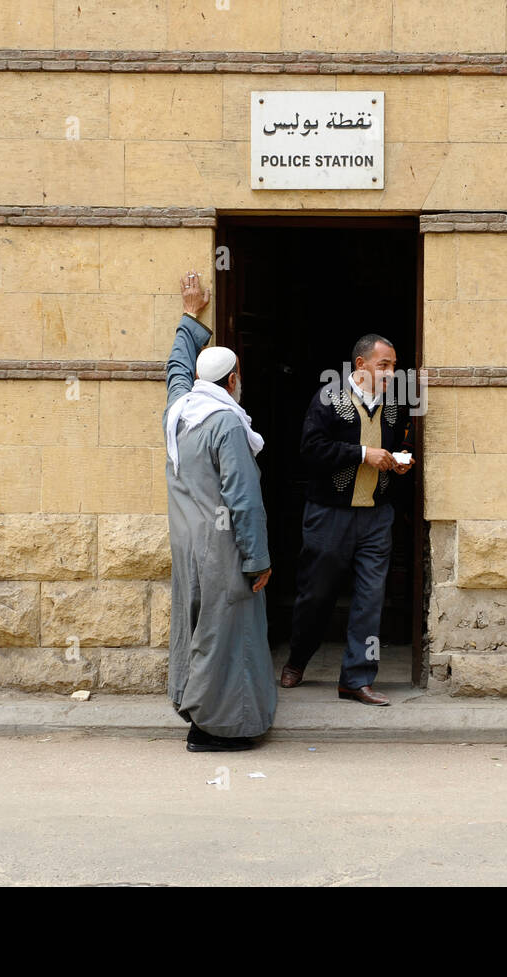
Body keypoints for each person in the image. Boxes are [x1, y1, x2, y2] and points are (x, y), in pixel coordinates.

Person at [163, 270, 276, 751]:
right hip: (223, 549)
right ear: (232, 380)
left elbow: (174, 371)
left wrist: (190, 319)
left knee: (196, 630)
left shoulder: (180, 412)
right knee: (226, 637)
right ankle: (218, 728)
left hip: (188, 544)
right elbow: (244, 500)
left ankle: (197, 714)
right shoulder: (227, 424)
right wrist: (258, 560)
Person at [281, 334, 415, 705]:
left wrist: (400, 459)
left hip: (376, 515)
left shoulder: (394, 404)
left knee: (371, 599)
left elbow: (402, 442)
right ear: (361, 365)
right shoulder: (329, 398)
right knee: (316, 594)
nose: (390, 373)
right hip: (329, 514)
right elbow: (311, 449)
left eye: (393, 365)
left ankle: (356, 679)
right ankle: (297, 658)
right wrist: (361, 454)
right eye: (383, 365)